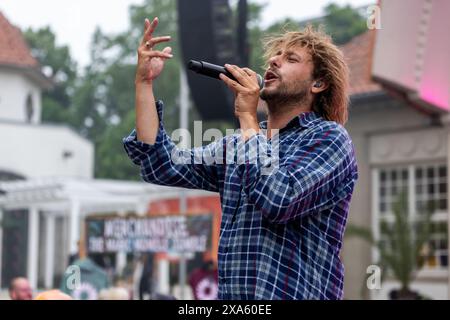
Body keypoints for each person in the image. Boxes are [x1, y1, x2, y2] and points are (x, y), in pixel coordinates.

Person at [123, 17, 358, 300]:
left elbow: (278, 198)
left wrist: (247, 116)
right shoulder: (240, 144)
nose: (273, 61)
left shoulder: (328, 139)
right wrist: (144, 84)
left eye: (290, 59)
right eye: (275, 56)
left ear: (318, 83)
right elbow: (162, 163)